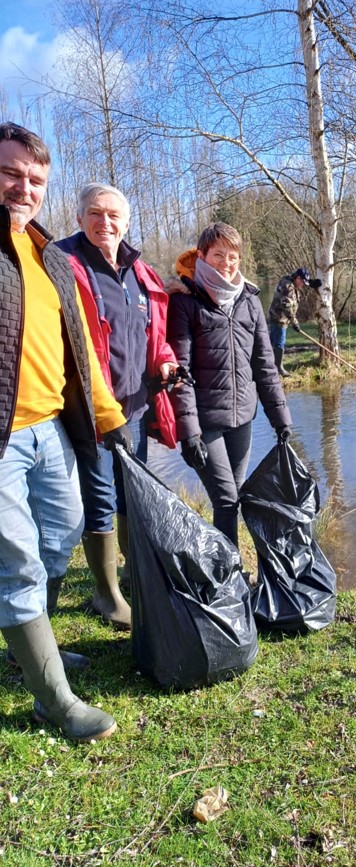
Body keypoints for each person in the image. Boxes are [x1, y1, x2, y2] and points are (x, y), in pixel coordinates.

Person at [0, 122, 132, 741]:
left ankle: (32, 649)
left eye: (34, 179)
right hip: (2, 440)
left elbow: (81, 352)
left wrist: (110, 419)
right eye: (10, 173)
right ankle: (51, 698)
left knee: (62, 534)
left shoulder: (52, 256)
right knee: (20, 562)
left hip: (50, 429)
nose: (22, 187)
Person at [56, 183, 177, 630]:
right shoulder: (65, 264)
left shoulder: (139, 270)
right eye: (94, 213)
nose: (104, 222)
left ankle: (132, 574)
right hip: (90, 408)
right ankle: (105, 596)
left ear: (127, 222)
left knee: (132, 493)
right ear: (79, 217)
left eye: (113, 215)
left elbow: (153, 333)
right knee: (101, 496)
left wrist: (164, 361)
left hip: (137, 406)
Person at [166, 222, 293, 547]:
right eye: (219, 254)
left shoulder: (249, 300)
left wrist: (281, 420)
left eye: (233, 256)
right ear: (202, 256)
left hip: (242, 421)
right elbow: (180, 371)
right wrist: (189, 431)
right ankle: (231, 571)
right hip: (206, 424)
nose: (226, 262)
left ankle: (224, 561)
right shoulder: (184, 301)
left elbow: (265, 364)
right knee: (225, 499)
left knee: (233, 498)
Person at [268, 267, 321, 376]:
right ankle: (278, 368)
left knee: (271, 341)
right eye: (302, 282)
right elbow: (286, 306)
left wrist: (310, 283)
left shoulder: (291, 280)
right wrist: (294, 322)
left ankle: (266, 364)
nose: (303, 285)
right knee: (279, 342)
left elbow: (297, 282)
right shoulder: (288, 287)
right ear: (297, 278)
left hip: (279, 316)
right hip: (279, 317)